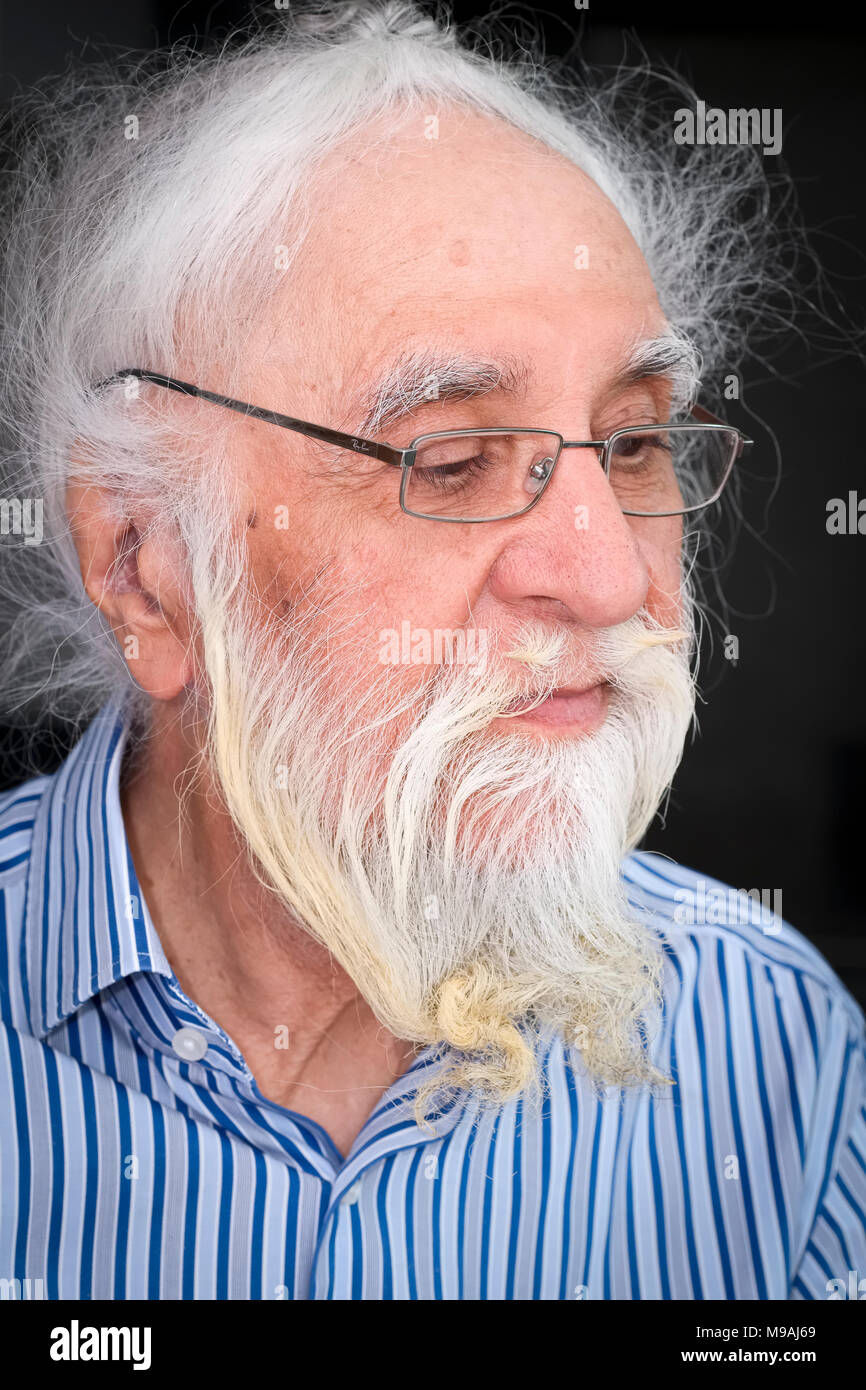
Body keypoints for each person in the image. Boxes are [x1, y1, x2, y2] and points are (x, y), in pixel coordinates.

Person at [0, 0, 862, 1300]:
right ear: (144, 570)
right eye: (449, 462)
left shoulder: (777, 1053)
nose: (608, 575)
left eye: (630, 444)